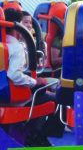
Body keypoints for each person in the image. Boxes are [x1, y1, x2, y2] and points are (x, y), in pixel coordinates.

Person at [5, 8, 60, 146]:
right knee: (58, 98)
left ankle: (30, 133)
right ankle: (37, 135)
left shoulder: (3, 43)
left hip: (4, 95)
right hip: (17, 98)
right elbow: (14, 75)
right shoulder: (16, 47)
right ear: (18, 24)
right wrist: (34, 81)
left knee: (42, 89)